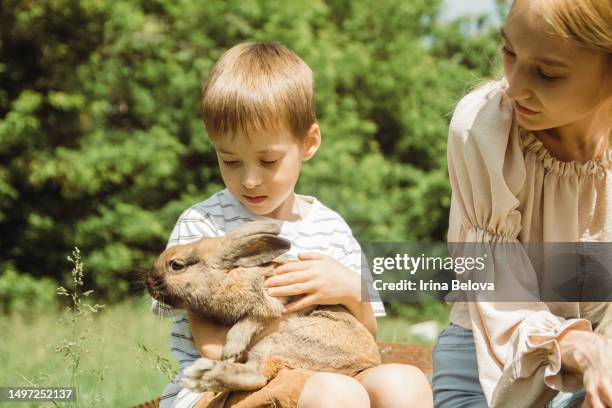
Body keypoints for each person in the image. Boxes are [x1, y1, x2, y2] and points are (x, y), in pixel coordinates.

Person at [152, 42, 433, 408]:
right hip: (226, 385)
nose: (250, 180)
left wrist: (349, 287)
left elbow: (365, 334)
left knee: (404, 382)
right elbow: (214, 347)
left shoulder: (330, 226)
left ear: (308, 143)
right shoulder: (204, 226)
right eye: (231, 161)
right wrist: (289, 326)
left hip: (332, 367)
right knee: (335, 393)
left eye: (268, 161)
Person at [432, 0, 612, 407]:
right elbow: (500, 301)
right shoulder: (483, 129)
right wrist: (582, 348)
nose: (512, 85)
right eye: (509, 53)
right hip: (490, 368)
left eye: (546, 73)